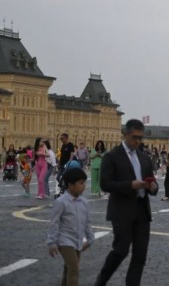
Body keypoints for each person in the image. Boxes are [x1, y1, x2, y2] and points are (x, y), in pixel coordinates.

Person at [94, 119, 159, 286]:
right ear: (125, 134)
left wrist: (153, 186)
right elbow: (105, 184)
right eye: (134, 137)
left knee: (140, 255)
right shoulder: (112, 156)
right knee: (120, 251)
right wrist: (130, 185)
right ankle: (101, 281)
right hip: (122, 210)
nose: (138, 141)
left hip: (142, 210)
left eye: (140, 138)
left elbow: (152, 182)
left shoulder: (144, 157)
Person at [46, 167, 94, 286]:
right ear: (70, 185)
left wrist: (90, 238)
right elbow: (54, 222)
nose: (84, 186)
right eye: (81, 183)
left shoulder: (84, 202)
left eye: (84, 183)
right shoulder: (61, 202)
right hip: (65, 241)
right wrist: (52, 242)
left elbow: (87, 222)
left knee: (68, 269)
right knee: (74, 269)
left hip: (77, 240)